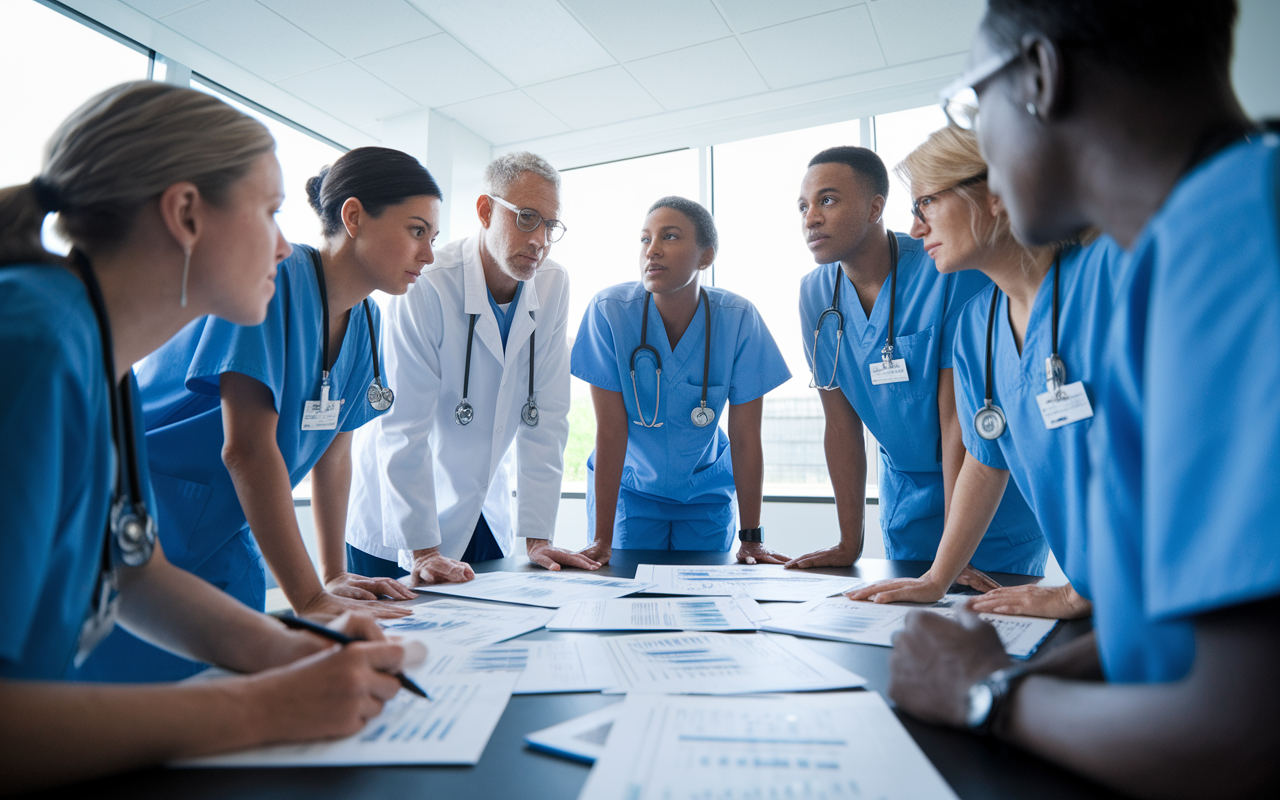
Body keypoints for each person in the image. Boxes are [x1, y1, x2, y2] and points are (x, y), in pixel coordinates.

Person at [887, 1, 1280, 795]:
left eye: (972, 102)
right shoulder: (1191, 235)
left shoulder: (1235, 239)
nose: (988, 157)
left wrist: (985, 694)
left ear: (1041, 75)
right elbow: (1190, 618)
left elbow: (1244, 736)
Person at [0, 81, 412, 791]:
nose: (285, 247)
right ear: (186, 213)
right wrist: (259, 706)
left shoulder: (103, 360)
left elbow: (134, 570)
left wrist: (298, 648)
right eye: (270, 211)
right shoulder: (33, 348)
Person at [73, 147, 444, 683]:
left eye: (432, 237)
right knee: (120, 707)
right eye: (417, 231)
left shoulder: (366, 319)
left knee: (224, 710)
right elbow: (246, 449)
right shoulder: (274, 279)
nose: (428, 254)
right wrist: (310, 596)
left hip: (227, 536)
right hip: (152, 518)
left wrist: (334, 573)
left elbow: (334, 452)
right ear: (355, 216)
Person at [848, 126, 1125, 619]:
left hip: (1179, 575)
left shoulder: (1107, 277)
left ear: (995, 193)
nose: (915, 229)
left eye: (926, 204)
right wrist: (938, 577)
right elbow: (985, 453)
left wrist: (1081, 590)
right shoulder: (980, 325)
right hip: (1107, 592)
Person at [787, 146, 1044, 579]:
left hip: (984, 499)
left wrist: (952, 556)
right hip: (906, 500)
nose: (811, 217)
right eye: (803, 206)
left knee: (990, 635)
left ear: (875, 208)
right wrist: (850, 542)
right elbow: (840, 424)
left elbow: (956, 423)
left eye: (827, 200)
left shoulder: (948, 267)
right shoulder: (815, 295)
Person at [346, 151, 593, 582]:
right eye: (527, 217)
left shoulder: (552, 285)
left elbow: (547, 419)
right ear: (485, 211)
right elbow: (404, 427)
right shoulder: (426, 283)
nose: (540, 240)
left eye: (550, 225)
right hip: (398, 516)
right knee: (402, 644)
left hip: (481, 509)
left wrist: (537, 536)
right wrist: (423, 550)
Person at [570, 197, 792, 563]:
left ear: (705, 257)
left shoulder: (737, 319)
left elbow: (745, 437)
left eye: (669, 237)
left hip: (705, 493)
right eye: (645, 239)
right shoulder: (609, 312)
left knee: (702, 605)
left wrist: (751, 539)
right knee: (628, 602)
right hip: (631, 491)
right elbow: (611, 431)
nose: (652, 250)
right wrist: (601, 540)